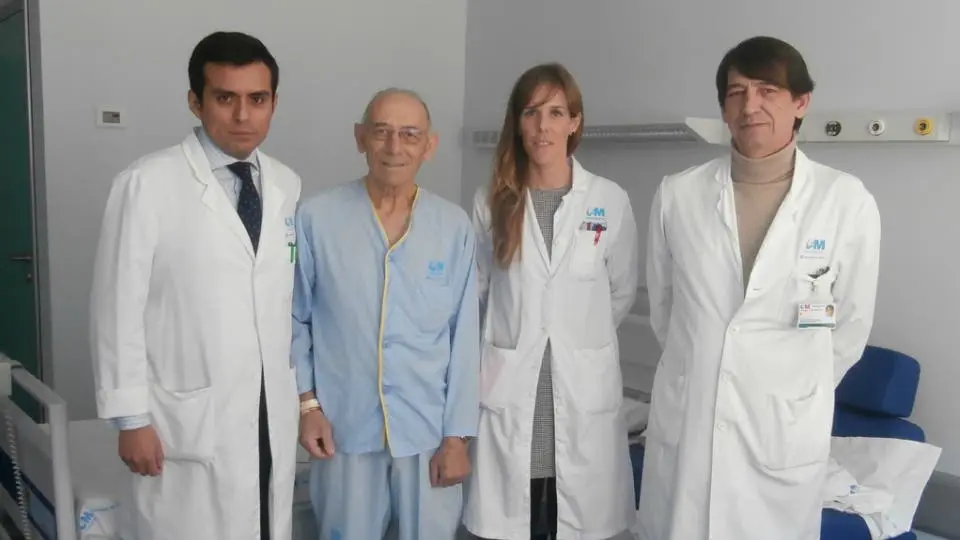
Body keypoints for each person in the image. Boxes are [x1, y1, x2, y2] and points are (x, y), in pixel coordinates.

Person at [637, 36, 881, 540]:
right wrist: (710, 365)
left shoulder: (845, 200)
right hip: (691, 424)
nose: (750, 106)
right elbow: (666, 310)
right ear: (724, 108)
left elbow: (850, 327)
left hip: (781, 433)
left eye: (768, 90)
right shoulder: (678, 194)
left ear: (801, 103)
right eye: (736, 92)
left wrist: (790, 390)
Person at [89, 31, 302, 540]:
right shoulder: (147, 183)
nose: (243, 115)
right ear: (195, 101)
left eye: (258, 99)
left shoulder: (286, 185)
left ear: (274, 103)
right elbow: (115, 308)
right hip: (185, 418)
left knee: (264, 518)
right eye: (225, 98)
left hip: (269, 406)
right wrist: (130, 419)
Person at [292, 88, 480, 540]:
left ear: (429, 145)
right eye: (382, 132)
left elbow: (464, 338)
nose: (395, 147)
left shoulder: (453, 226)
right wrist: (307, 405)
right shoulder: (316, 218)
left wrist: (457, 437)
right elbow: (295, 319)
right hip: (344, 427)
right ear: (360, 138)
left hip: (428, 431)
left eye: (410, 134)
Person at [462, 63, 640, 540]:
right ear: (518, 123)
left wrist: (572, 334)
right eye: (531, 112)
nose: (543, 126)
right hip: (511, 387)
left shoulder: (608, 199)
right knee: (516, 516)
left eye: (556, 112)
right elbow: (476, 292)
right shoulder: (490, 201)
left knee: (576, 514)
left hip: (581, 388)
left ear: (574, 122)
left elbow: (620, 291)